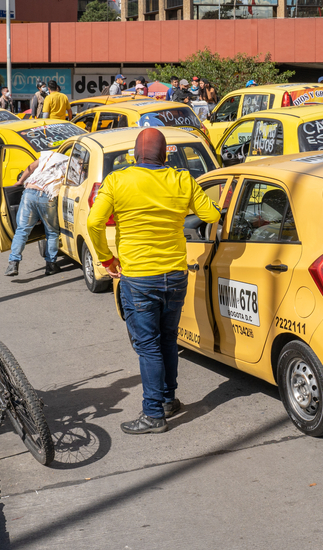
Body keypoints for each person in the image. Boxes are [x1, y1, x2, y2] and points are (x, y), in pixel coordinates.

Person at [87, 128, 221, 434]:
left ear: (134, 155)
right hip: (175, 275)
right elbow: (210, 215)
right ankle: (168, 400)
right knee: (168, 339)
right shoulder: (182, 180)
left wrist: (106, 259)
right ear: (165, 155)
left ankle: (152, 414)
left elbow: (94, 221)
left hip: (139, 278)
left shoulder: (118, 181)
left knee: (148, 346)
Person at [4, 147, 70, 277]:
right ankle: (51, 265)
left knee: (22, 230)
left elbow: (31, 167)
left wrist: (20, 181)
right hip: (47, 196)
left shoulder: (48, 156)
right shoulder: (69, 162)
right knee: (51, 232)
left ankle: (13, 263)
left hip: (29, 193)